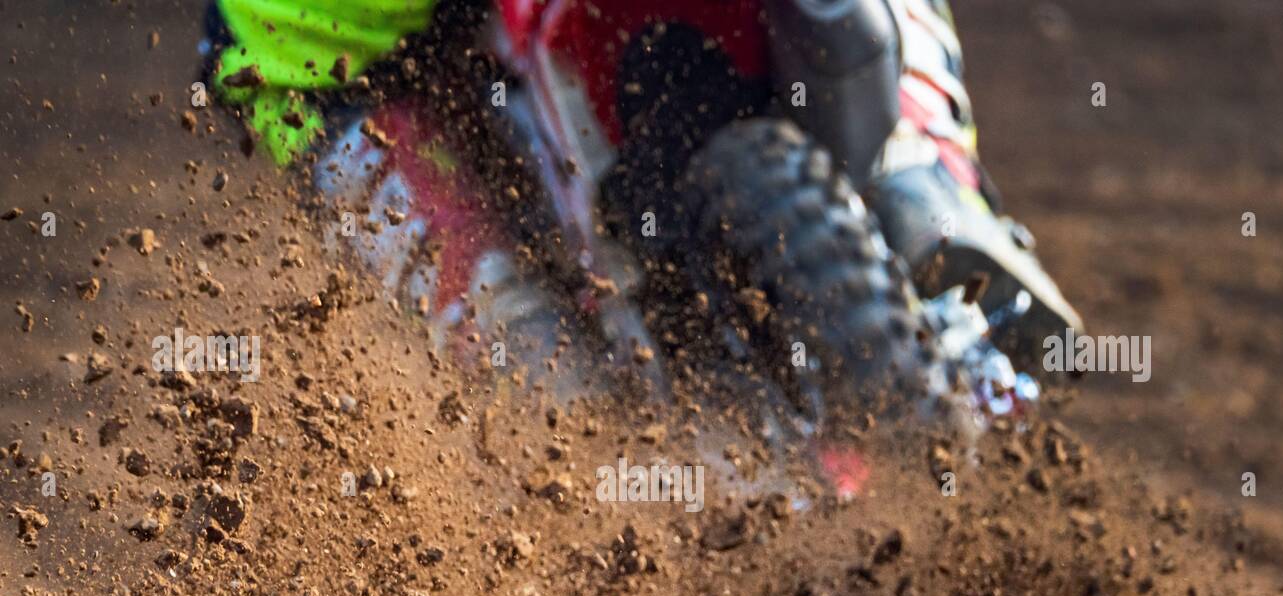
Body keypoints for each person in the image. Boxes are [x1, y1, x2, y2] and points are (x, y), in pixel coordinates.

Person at [198, 0, 1079, 390]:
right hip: (338, 54)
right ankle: (542, 426)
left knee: (893, 135)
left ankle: (929, 192)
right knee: (536, 373)